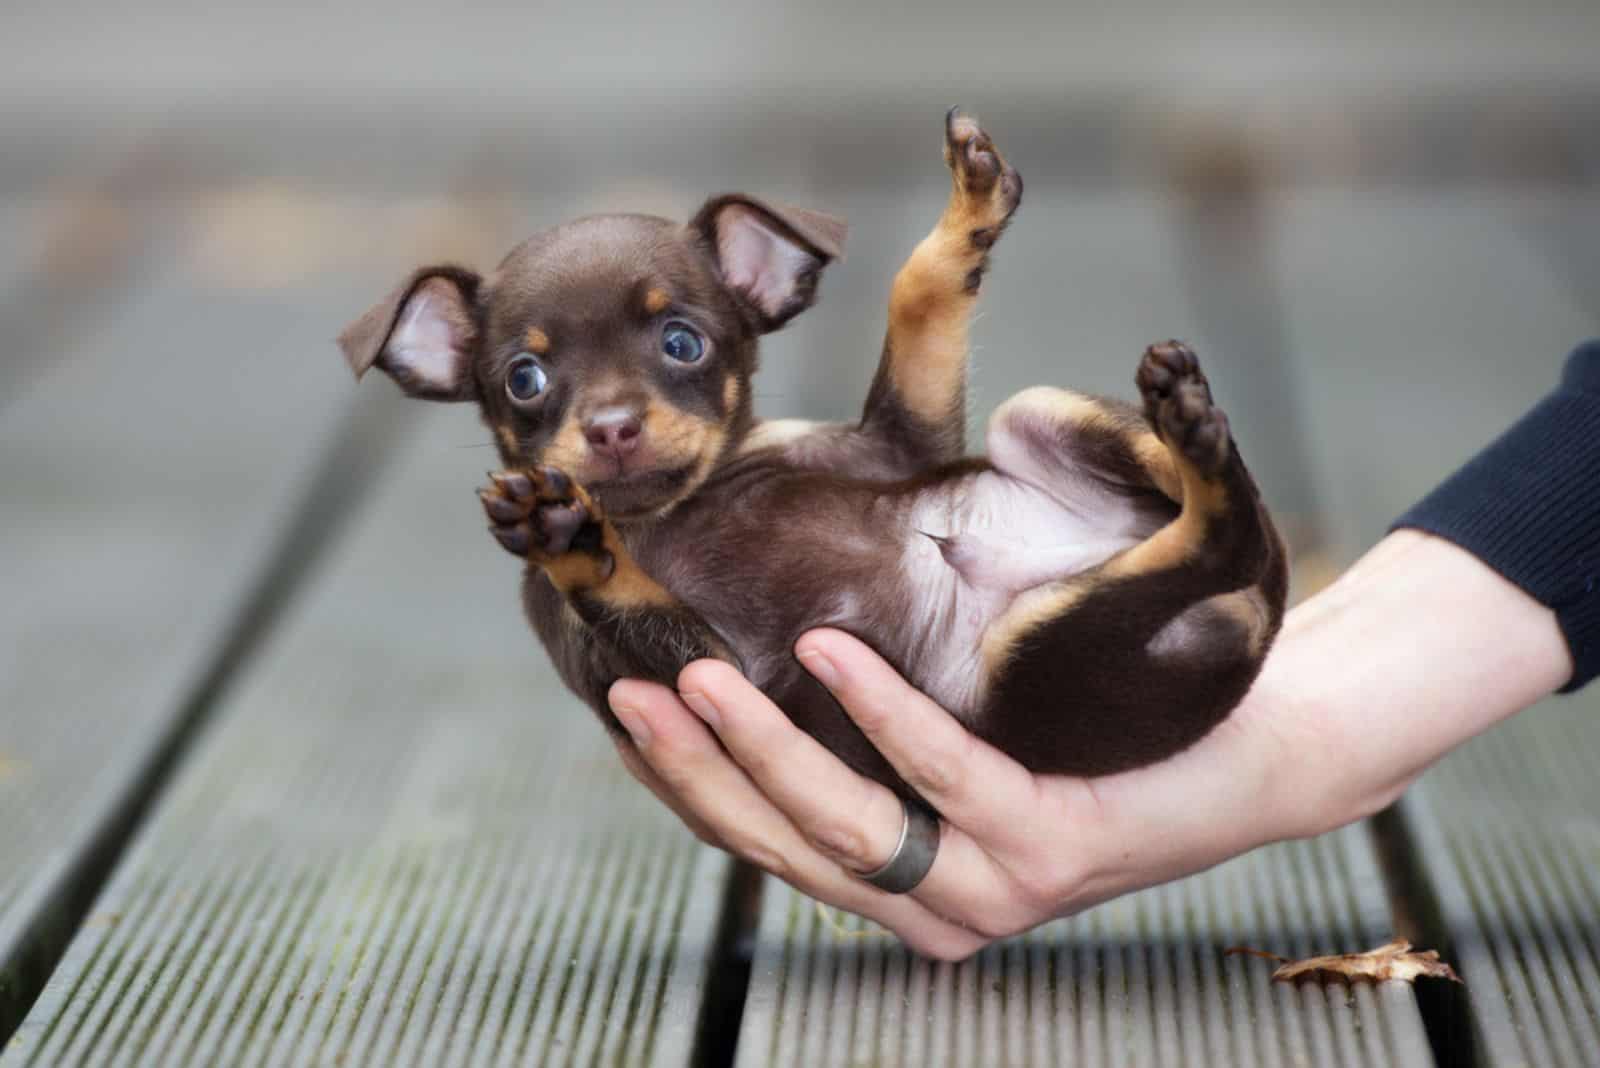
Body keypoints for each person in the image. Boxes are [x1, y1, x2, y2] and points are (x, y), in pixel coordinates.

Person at [606, 341, 1600, 961]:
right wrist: (1304, 729)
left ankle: (1207, 519)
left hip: (1051, 566)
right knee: (1033, 449)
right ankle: (1208, 518)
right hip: (1093, 630)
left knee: (1030, 426)